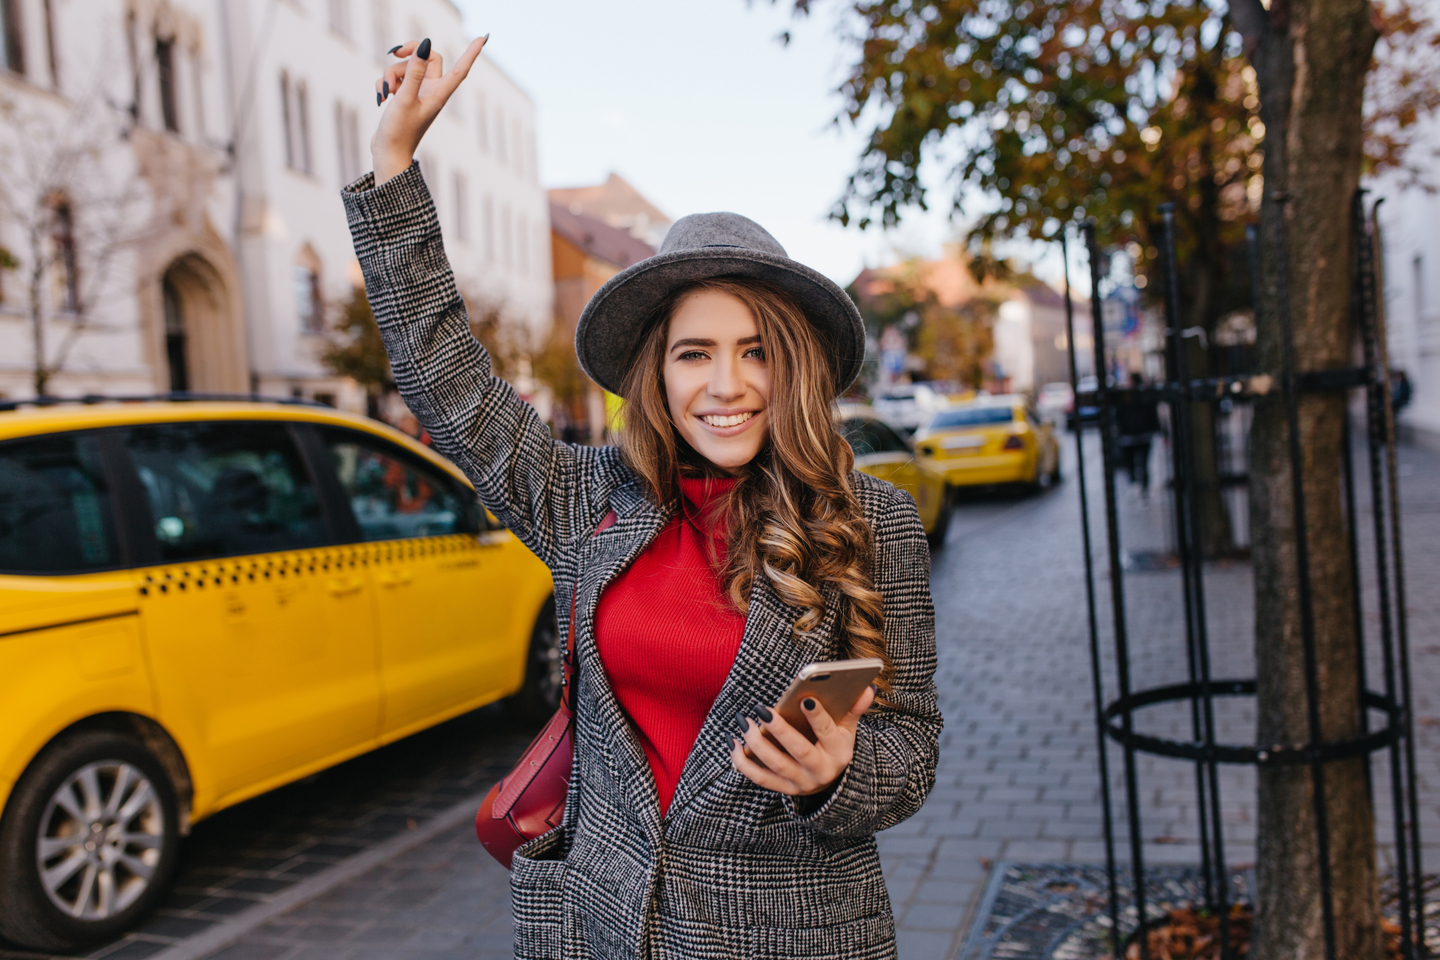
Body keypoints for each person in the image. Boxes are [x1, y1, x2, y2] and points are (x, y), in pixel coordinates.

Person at [343, 37, 941, 960]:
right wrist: (393, 167)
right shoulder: (586, 499)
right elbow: (446, 379)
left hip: (788, 936)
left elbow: (911, 746)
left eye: (757, 351)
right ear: (656, 377)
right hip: (603, 928)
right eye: (694, 353)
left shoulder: (871, 521)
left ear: (795, 366)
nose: (727, 384)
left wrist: (839, 773)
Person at [1114, 378, 1161, 494]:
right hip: (1138, 436)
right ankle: (1142, 485)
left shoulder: (1125, 397)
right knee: (1141, 463)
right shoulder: (1143, 396)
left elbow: (1117, 416)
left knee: (1134, 464)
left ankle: (1137, 484)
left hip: (1132, 436)